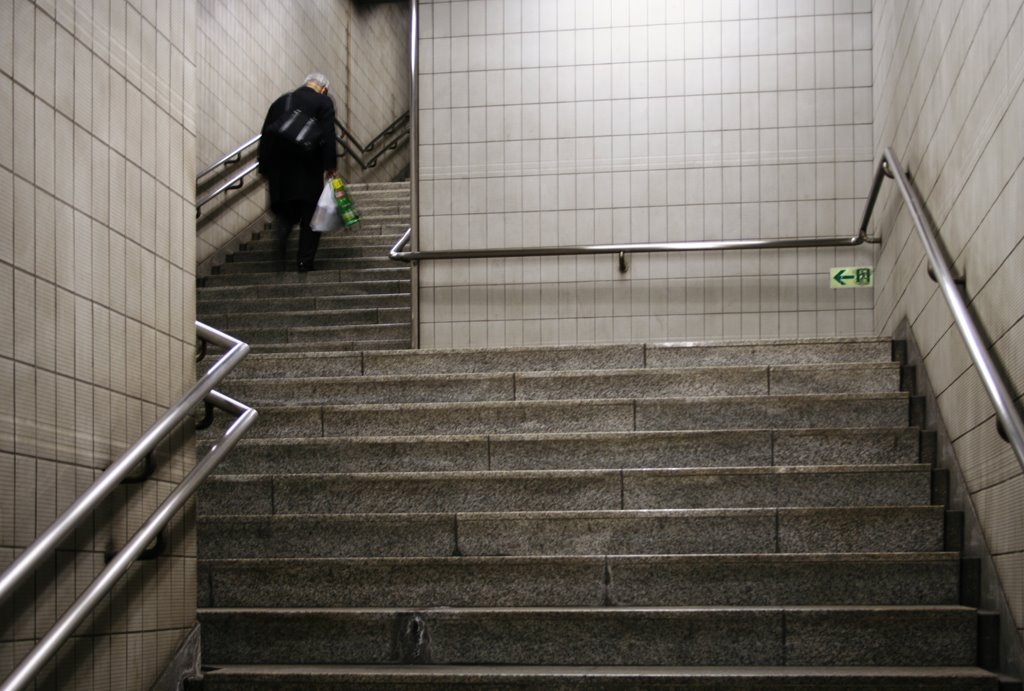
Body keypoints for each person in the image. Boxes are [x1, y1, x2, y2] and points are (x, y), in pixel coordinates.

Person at [258, 72, 337, 272]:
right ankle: (304, 261)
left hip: (279, 171)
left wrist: (264, 167)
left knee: (285, 213)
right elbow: (328, 134)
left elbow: (266, 135)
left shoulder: (280, 102)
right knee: (311, 217)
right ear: (323, 88)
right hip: (308, 168)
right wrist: (330, 165)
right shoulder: (323, 102)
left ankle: (281, 250)